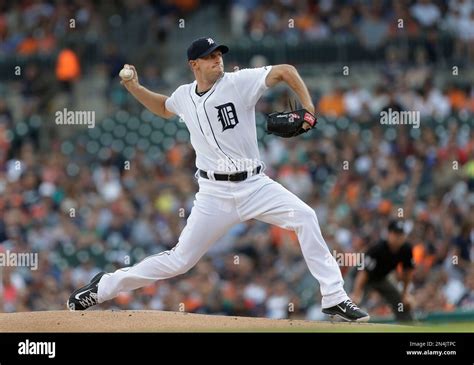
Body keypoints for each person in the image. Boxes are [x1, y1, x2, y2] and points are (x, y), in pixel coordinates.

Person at [67, 37, 369, 322]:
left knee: (305, 216)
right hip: (213, 193)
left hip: (254, 185)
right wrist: (134, 86)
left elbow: (285, 72)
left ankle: (334, 296)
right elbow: (163, 107)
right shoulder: (185, 95)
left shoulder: (239, 83)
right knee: (180, 261)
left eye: (219, 55)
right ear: (193, 64)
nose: (217, 60)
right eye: (209, 57)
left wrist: (310, 108)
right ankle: (103, 287)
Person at [351, 220, 414, 321]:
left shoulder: (406, 249)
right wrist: (356, 293)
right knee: (353, 303)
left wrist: (405, 293)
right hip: (362, 278)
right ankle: (340, 325)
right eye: (395, 234)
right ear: (389, 234)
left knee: (400, 301)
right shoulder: (378, 249)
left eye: (401, 234)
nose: (398, 237)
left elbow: (408, 272)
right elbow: (363, 273)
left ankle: (409, 325)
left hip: (382, 278)